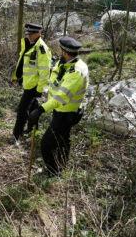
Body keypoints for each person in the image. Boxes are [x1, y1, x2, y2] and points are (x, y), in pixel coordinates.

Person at [27, 36, 89, 175]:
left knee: (46, 144)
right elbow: (54, 83)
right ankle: (61, 168)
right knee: (62, 140)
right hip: (59, 110)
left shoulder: (76, 72)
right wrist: (41, 97)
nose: (60, 53)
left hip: (67, 113)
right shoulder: (63, 63)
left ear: (65, 53)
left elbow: (61, 97)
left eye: (61, 51)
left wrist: (40, 110)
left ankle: (52, 171)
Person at [11, 23, 51, 143]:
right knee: (33, 110)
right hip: (27, 84)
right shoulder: (29, 45)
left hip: (34, 87)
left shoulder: (41, 49)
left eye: (31, 34)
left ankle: (16, 135)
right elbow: (22, 63)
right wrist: (16, 76)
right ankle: (32, 131)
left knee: (22, 111)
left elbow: (45, 72)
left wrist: (39, 90)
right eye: (28, 33)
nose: (29, 36)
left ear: (39, 33)